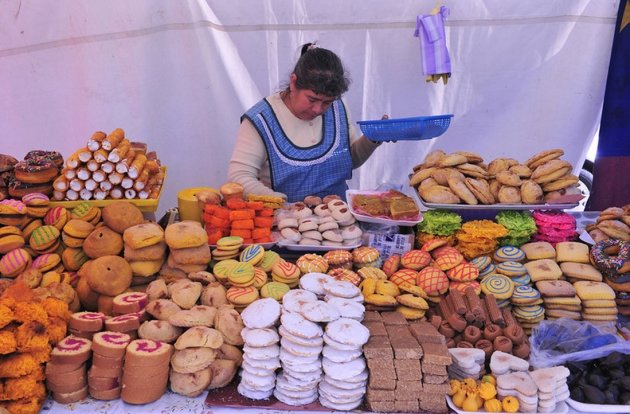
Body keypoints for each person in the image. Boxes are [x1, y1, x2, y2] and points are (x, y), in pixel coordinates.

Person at [228, 42, 388, 203]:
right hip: (284, 219)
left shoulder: (338, 107)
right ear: (293, 82)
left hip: (339, 216)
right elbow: (239, 176)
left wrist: (372, 139)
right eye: (312, 99)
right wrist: (283, 205)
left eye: (327, 102)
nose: (318, 109)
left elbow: (348, 160)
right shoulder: (261, 120)